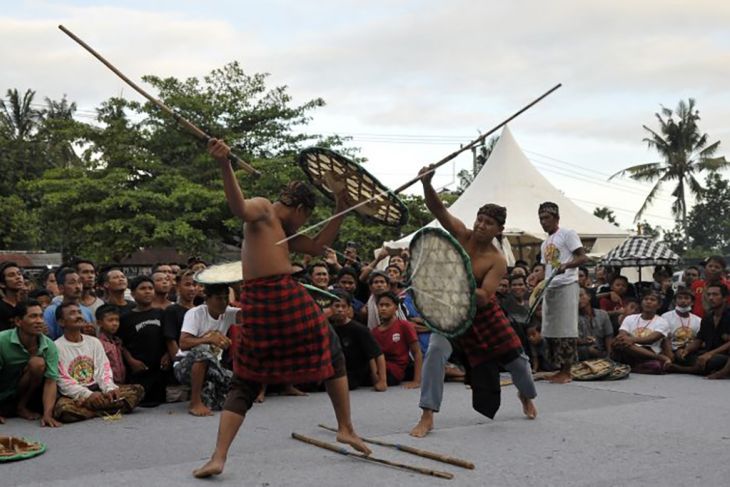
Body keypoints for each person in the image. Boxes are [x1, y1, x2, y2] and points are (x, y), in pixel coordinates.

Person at [193, 139, 370, 479]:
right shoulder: (263, 209)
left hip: (261, 303)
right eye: (307, 216)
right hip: (278, 297)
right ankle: (344, 425)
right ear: (300, 208)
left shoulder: (285, 232)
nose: (305, 222)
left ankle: (219, 456)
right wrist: (224, 164)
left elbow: (319, 246)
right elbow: (238, 207)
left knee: (246, 380)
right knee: (329, 353)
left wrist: (340, 208)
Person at [410, 165, 537, 439]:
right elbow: (438, 211)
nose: (481, 225)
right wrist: (426, 184)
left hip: (484, 315)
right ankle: (427, 414)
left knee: (519, 364)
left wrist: (457, 280)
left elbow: (483, 297)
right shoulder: (461, 234)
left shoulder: (497, 260)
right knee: (434, 353)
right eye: (479, 219)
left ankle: (526, 395)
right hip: (450, 312)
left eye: (488, 223)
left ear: (499, 230)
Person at [53, 302, 144, 423]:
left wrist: (109, 389)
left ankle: (89, 412)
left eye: (79, 312)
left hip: (99, 390)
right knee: (63, 409)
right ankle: (106, 409)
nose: (78, 316)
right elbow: (63, 380)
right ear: (61, 322)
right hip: (76, 394)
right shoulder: (56, 347)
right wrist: (87, 395)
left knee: (137, 390)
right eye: (72, 313)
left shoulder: (94, 342)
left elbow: (104, 369)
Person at [537, 201, 588, 384]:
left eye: (547, 218)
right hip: (550, 287)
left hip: (566, 284)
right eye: (541, 218)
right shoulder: (544, 244)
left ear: (556, 218)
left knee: (566, 327)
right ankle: (558, 369)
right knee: (551, 328)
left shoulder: (567, 233)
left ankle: (567, 371)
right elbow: (547, 267)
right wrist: (538, 282)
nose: (543, 222)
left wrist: (567, 265)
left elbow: (582, 257)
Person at [174, 283, 238, 416]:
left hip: (213, 366)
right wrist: (209, 339)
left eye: (226, 298)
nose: (224, 302)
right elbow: (183, 343)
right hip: (184, 366)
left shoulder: (229, 313)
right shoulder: (195, 313)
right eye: (219, 298)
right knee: (203, 351)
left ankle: (206, 396)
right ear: (207, 299)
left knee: (230, 391)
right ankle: (194, 402)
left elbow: (251, 316)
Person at [0, 300, 61, 427]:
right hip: (3, 391)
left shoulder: (49, 345)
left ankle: (21, 407)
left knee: (37, 363)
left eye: (41, 316)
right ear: (18, 321)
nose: (39, 321)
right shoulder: (2, 340)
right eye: (33, 316)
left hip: (25, 393)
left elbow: (51, 381)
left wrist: (47, 414)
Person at [118, 276, 170, 407]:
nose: (147, 291)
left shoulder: (161, 314)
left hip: (159, 370)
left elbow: (169, 338)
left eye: (150, 288)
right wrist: (131, 361)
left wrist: (168, 355)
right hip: (138, 370)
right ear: (133, 293)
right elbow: (120, 344)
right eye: (142, 288)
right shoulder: (125, 317)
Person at [665, 282, 730, 377]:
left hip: (723, 355)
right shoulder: (708, 317)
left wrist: (710, 354)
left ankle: (687, 370)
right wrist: (686, 350)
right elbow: (699, 339)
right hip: (707, 352)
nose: (711, 298)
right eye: (709, 295)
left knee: (714, 361)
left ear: (724, 298)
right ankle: (699, 368)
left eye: (715, 295)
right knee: (681, 356)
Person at [329, 290, 386, 391]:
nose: (340, 310)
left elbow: (378, 354)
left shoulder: (359, 329)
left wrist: (382, 381)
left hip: (354, 374)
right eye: (337, 306)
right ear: (330, 308)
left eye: (343, 307)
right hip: (336, 369)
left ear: (349, 309)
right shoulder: (328, 328)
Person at [370, 292, 421, 387]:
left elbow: (417, 352)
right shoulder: (374, 332)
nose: (383, 308)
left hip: (395, 372)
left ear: (396, 308)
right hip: (380, 369)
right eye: (381, 305)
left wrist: (416, 381)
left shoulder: (404, 325)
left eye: (387, 305)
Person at [612, 292, 671, 374]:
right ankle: (659, 358)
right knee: (618, 342)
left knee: (656, 366)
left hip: (648, 353)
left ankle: (632, 368)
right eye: (646, 299)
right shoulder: (630, 318)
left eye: (652, 300)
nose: (648, 302)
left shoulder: (662, 322)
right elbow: (622, 334)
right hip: (629, 350)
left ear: (659, 305)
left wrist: (630, 340)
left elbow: (651, 339)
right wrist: (626, 340)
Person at [44, 268, 95, 340]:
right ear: (61, 288)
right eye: (72, 283)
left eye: (79, 282)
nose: (78, 286)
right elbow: (48, 338)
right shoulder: (51, 311)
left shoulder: (87, 311)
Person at [662, 289, 702, 373]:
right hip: (671, 350)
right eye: (679, 298)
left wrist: (687, 350)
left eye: (686, 298)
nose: (683, 301)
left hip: (690, 351)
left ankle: (680, 368)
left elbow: (699, 340)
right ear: (674, 301)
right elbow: (665, 338)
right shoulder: (665, 317)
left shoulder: (698, 320)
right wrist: (670, 352)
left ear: (692, 302)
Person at [162, 269, 198, 359]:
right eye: (187, 285)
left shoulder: (200, 310)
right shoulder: (172, 310)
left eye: (194, 285)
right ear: (178, 287)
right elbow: (171, 341)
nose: (192, 289)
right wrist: (179, 363)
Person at [577, 287, 614, 360]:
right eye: (575, 297)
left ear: (589, 297)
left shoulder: (602, 314)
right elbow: (571, 341)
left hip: (601, 349)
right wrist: (583, 341)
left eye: (581, 295)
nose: (578, 299)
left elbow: (608, 336)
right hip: (583, 351)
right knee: (587, 350)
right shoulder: (573, 318)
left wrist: (609, 354)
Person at [96, 304, 127, 384]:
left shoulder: (117, 341)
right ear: (99, 323)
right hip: (108, 385)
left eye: (117, 320)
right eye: (110, 320)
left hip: (121, 382)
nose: (115, 323)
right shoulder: (98, 343)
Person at [0, 262, 25, 332]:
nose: (18, 277)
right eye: (11, 275)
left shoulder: (28, 304)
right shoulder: (1, 308)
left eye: (19, 274)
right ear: (2, 284)